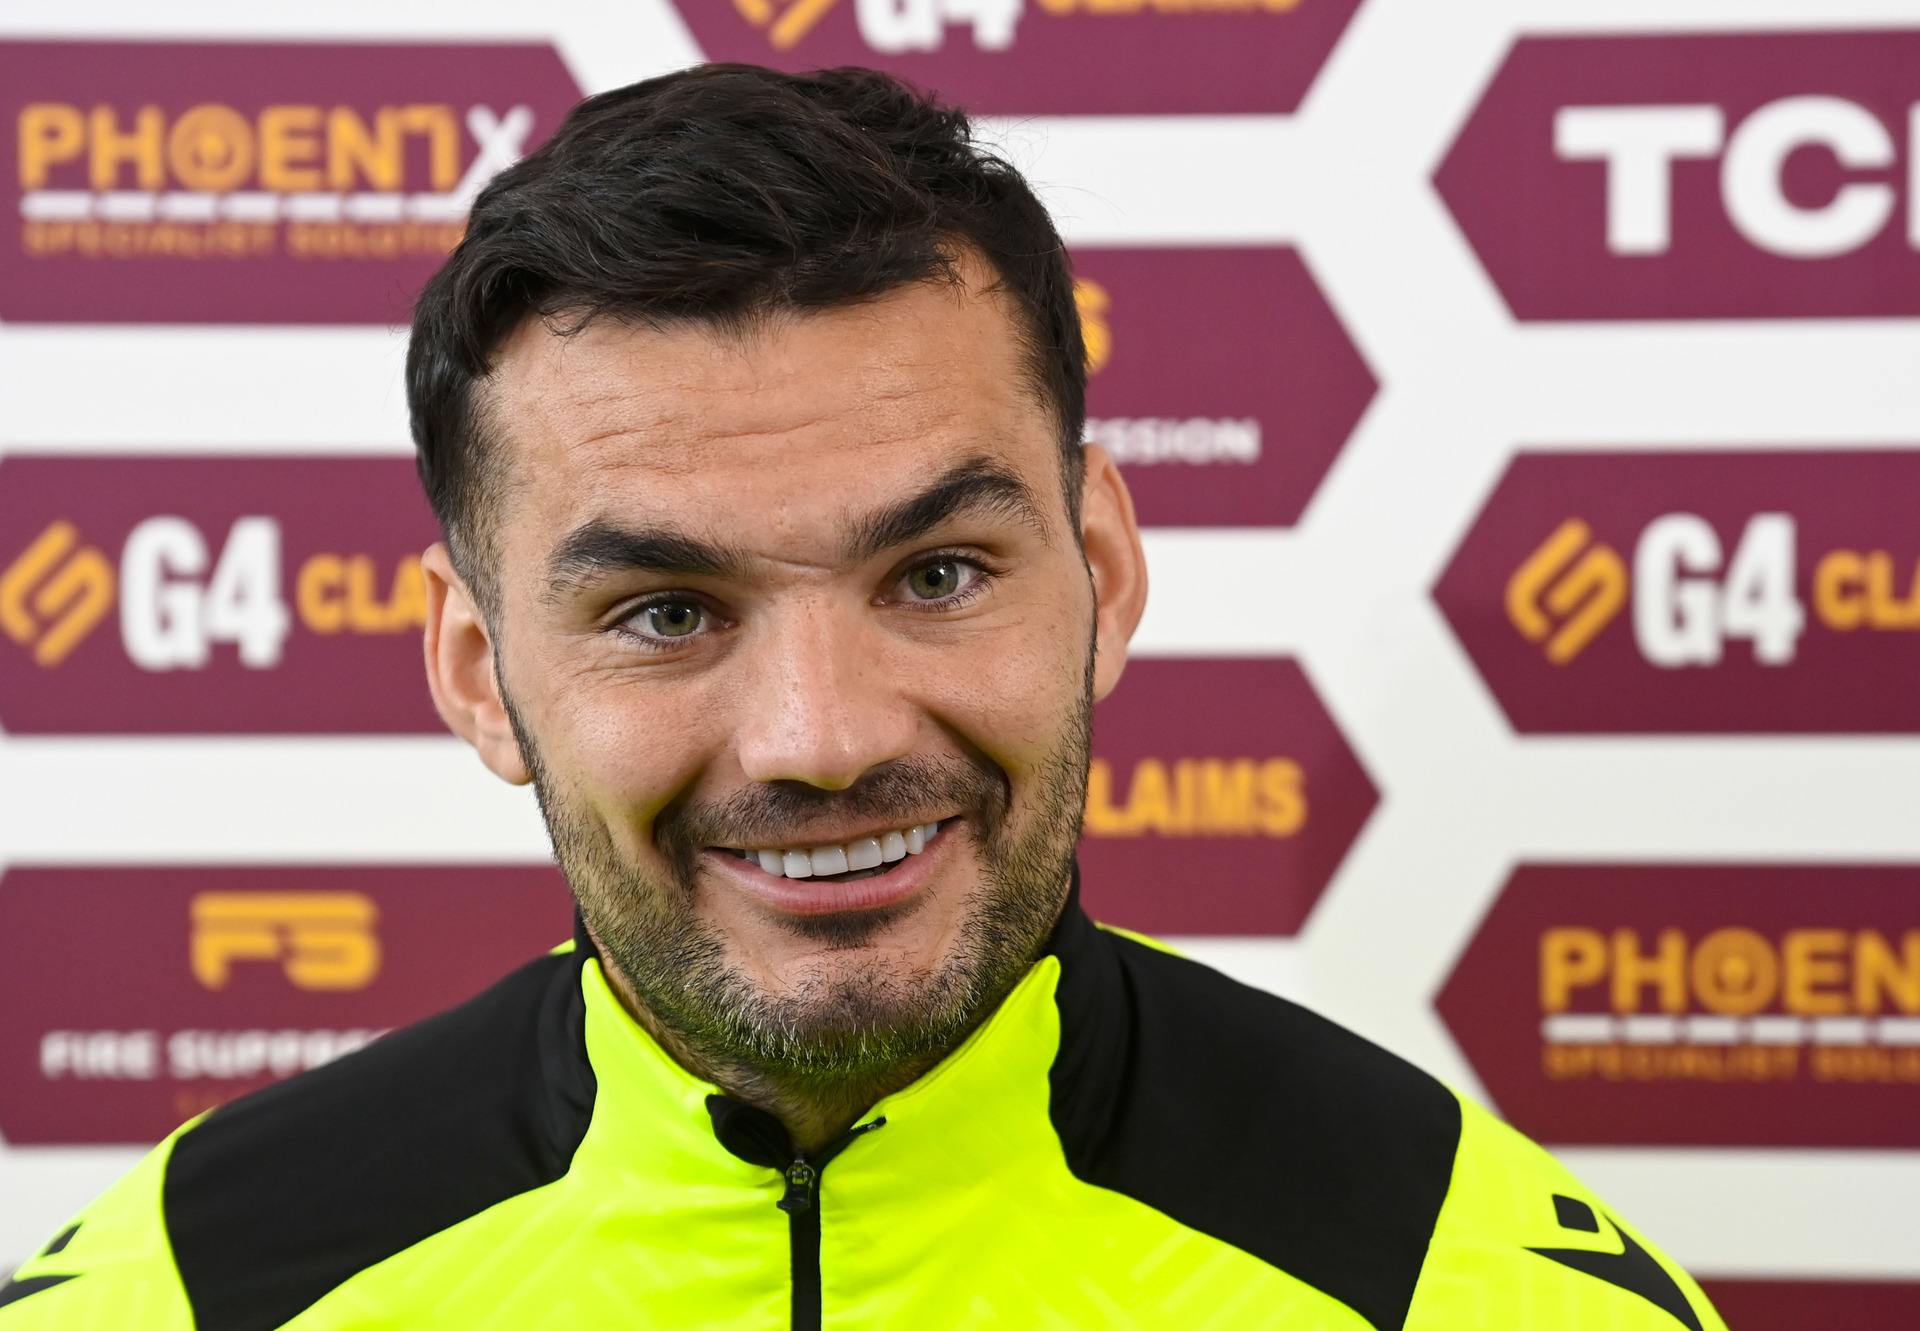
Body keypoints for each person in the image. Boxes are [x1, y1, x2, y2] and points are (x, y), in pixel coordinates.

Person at [0, 63, 1725, 1331]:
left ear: (1105, 573)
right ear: (479, 673)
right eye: (666, 610)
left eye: (939, 576)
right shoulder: (180, 1293)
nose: (825, 735)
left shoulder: (1473, 1287)